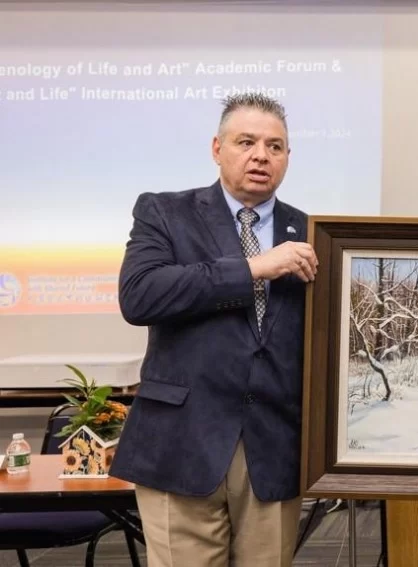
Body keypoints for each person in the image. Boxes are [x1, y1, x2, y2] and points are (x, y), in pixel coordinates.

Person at [111, 92, 319, 567]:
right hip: (182, 441)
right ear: (216, 148)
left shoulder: (311, 232)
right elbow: (140, 296)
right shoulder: (165, 212)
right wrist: (255, 268)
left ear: (287, 157)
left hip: (273, 447)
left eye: (275, 146)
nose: (260, 155)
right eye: (246, 141)